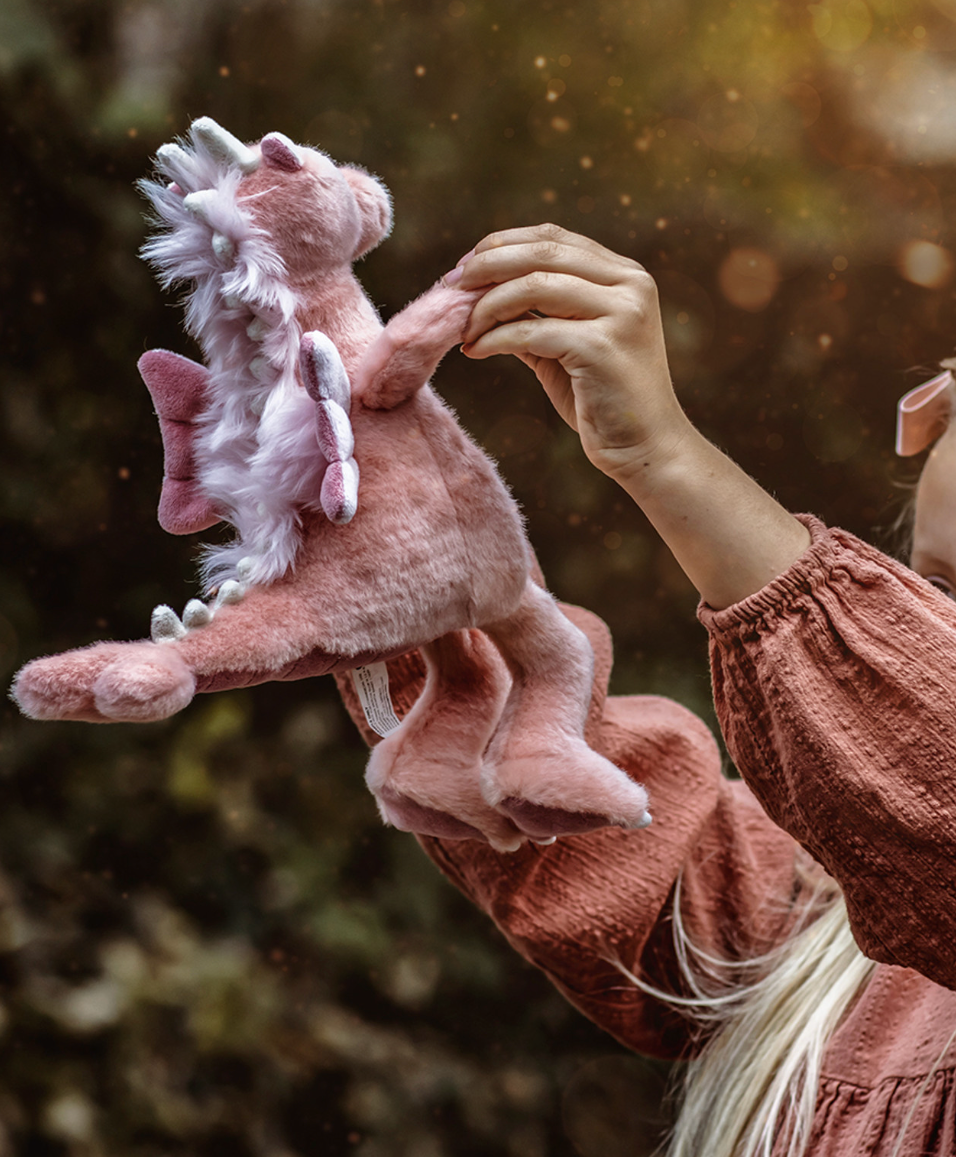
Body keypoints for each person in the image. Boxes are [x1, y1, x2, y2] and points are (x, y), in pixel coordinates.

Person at [338, 225, 956, 1157]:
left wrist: (671, 464)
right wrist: (377, 504)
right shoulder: (826, 917)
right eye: (937, 596)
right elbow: (611, 831)